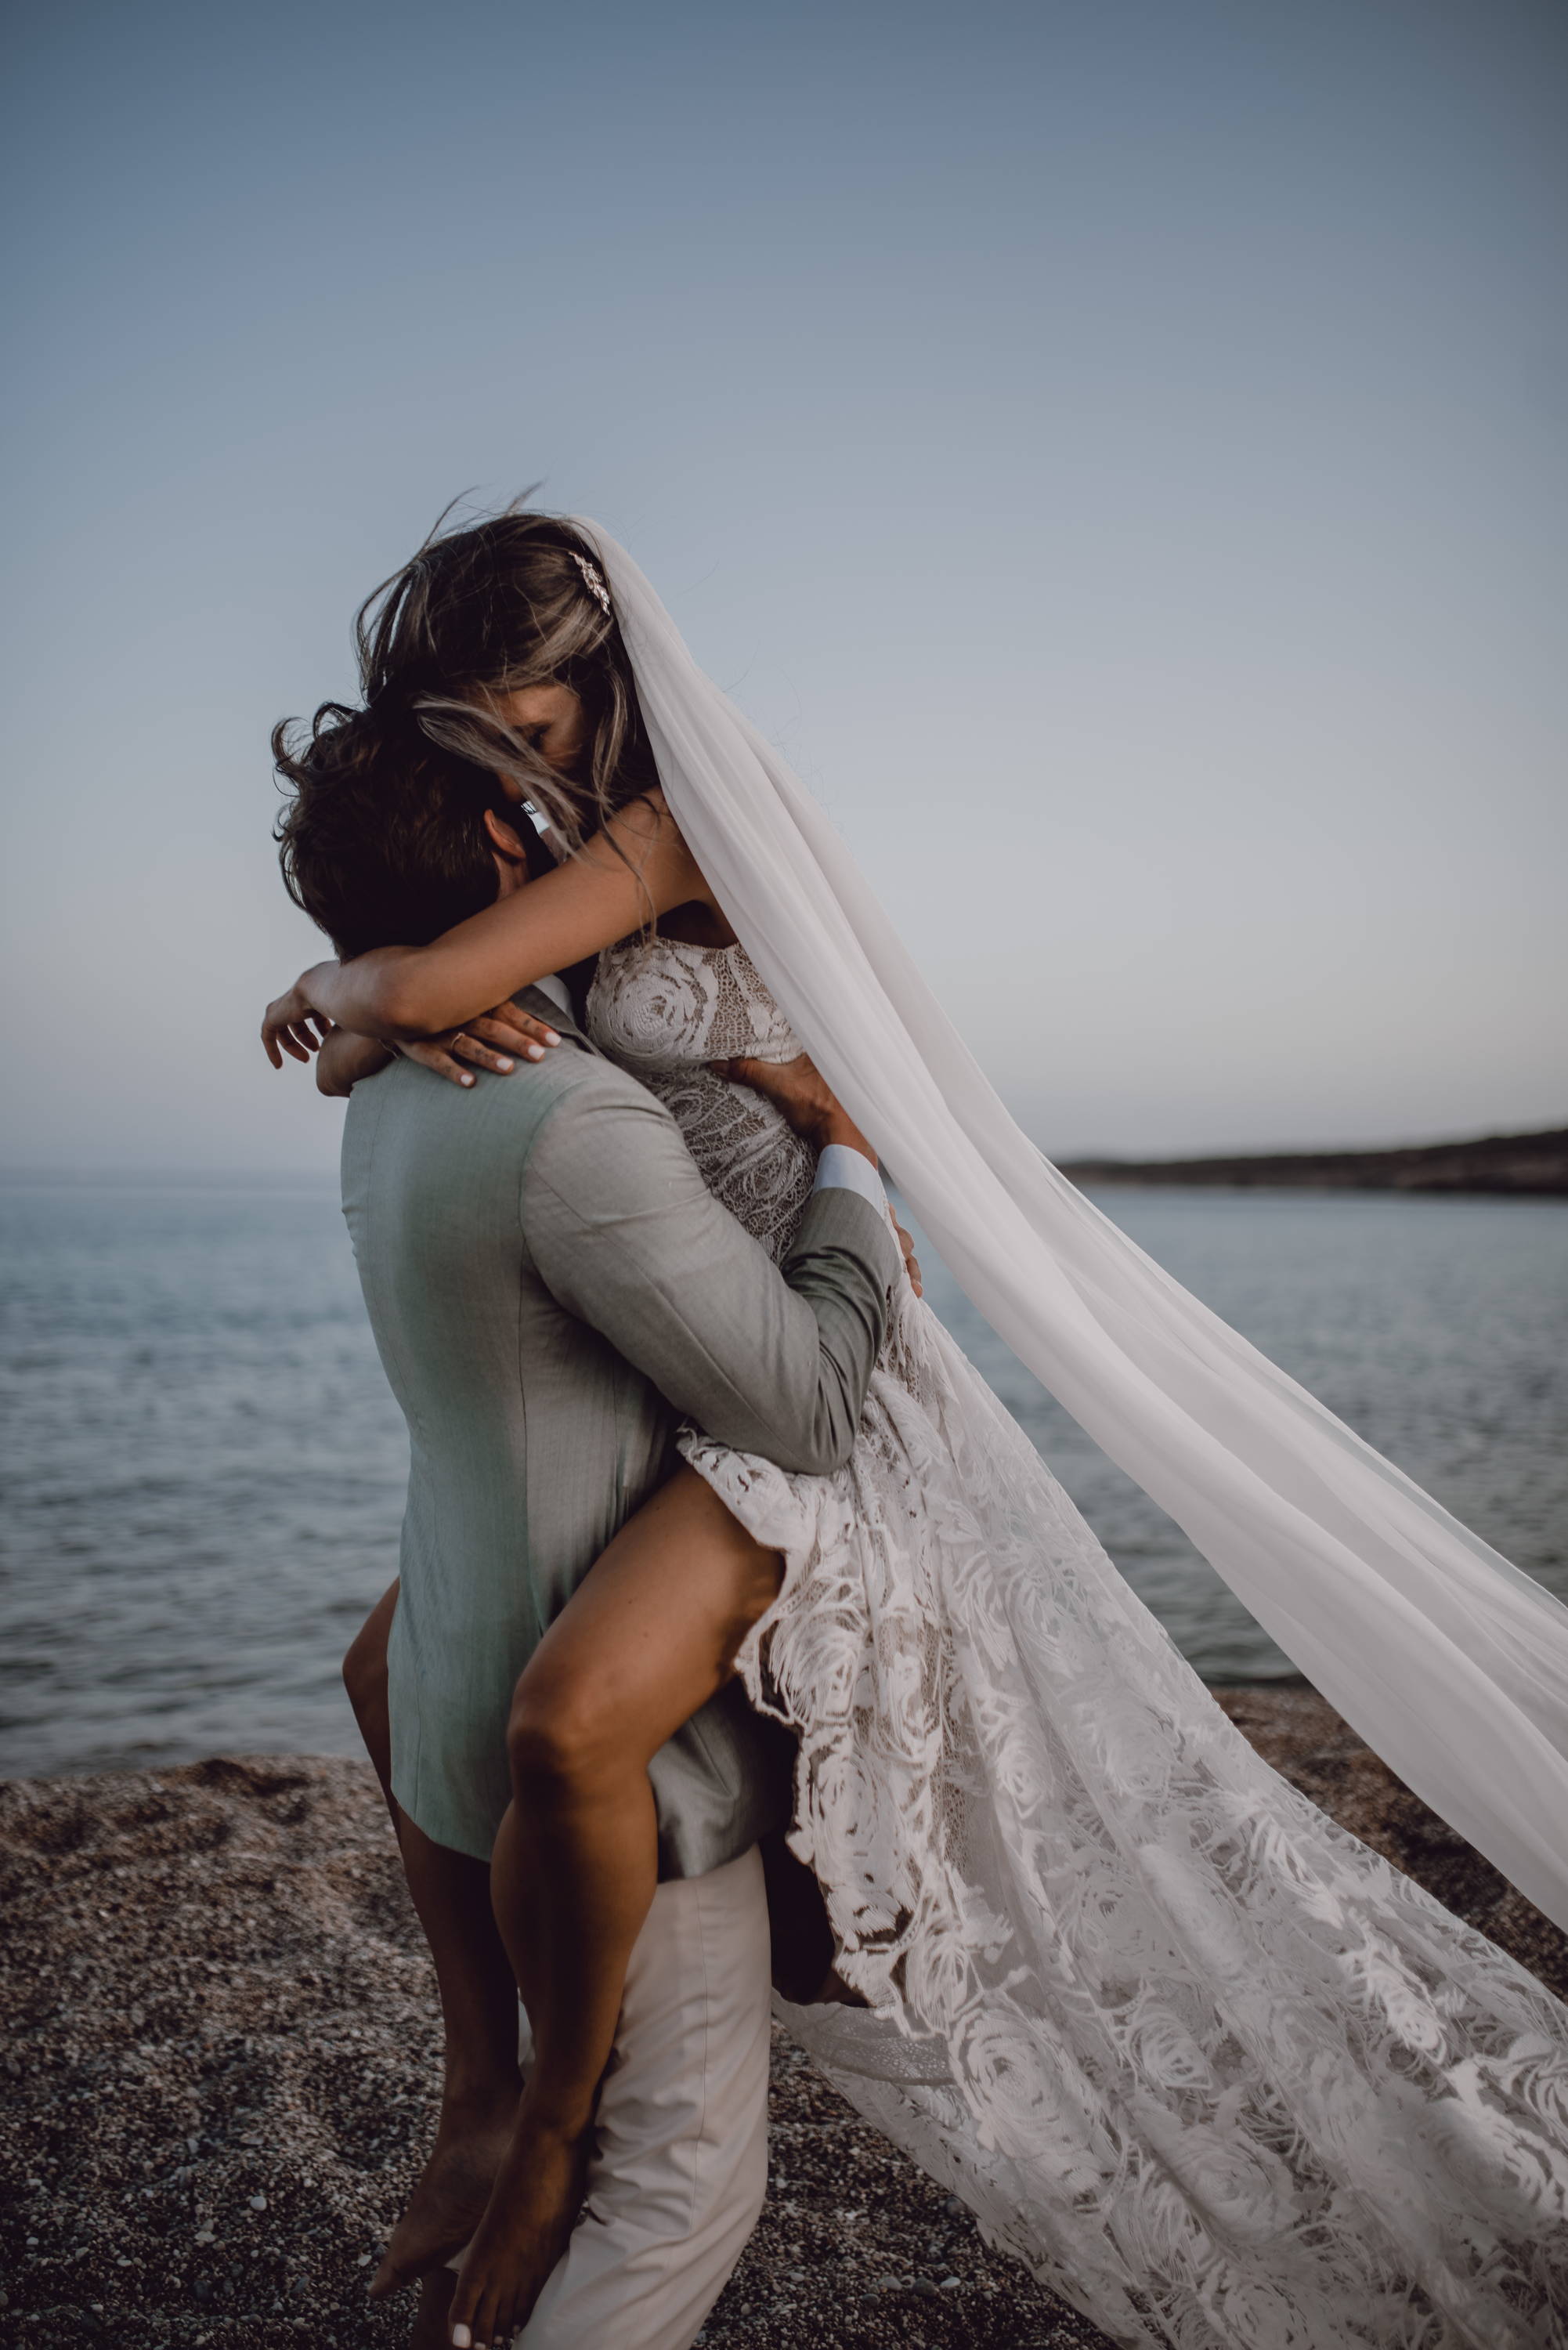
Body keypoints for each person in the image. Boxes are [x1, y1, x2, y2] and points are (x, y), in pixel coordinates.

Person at [266, 508, 1568, 2349]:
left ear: (606, 690)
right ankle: (502, 2086)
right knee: (408, 1658)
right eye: (483, 737)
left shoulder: (670, 831)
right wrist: (355, 1010)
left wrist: (347, 995)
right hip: (695, 1333)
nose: (511, 766)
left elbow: (414, 992)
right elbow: (423, 1003)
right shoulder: (561, 844)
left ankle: (549, 2112)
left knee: (571, 1718)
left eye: (533, 728)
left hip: (813, 1352)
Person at [270, 710, 910, 2349]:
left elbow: (385, 1008)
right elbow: (808, 1407)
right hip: (627, 1761)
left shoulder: (395, 1094)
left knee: (616, 2148)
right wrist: (845, 1144)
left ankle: (494, 2128)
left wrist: (353, 996)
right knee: (675, 2192)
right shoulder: (565, 1116)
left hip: (450, 1708)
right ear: (505, 850)